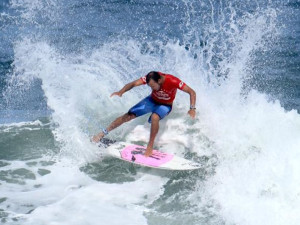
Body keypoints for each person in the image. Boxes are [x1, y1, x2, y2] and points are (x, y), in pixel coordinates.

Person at [92, 71, 196, 157]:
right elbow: (133, 84)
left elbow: (192, 92)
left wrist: (192, 108)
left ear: (159, 80)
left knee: (155, 117)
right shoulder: (149, 77)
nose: (152, 88)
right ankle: (102, 134)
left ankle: (149, 147)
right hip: (151, 101)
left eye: (153, 86)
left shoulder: (173, 81)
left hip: (165, 105)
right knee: (128, 116)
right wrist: (121, 92)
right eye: (150, 86)